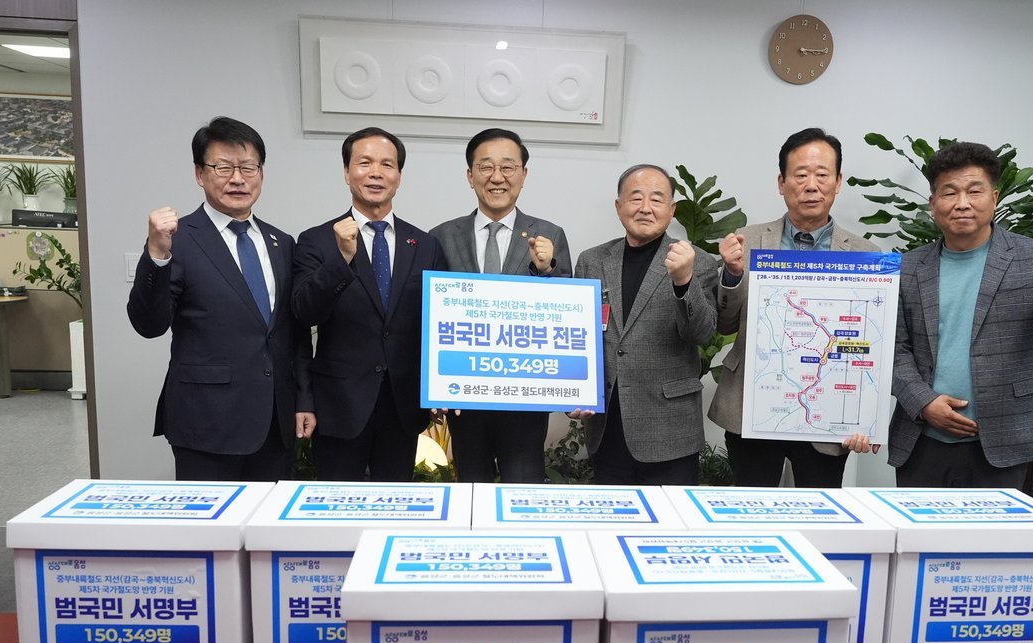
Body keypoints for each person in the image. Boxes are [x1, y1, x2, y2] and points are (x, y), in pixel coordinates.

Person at [888, 141, 1033, 488]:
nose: (962, 203)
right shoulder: (909, 267)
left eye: (974, 191)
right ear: (933, 204)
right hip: (922, 439)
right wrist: (923, 402)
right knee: (917, 527)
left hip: (1007, 439)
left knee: (995, 528)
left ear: (994, 198)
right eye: (949, 193)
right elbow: (893, 348)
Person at [127, 116, 314, 481]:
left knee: (268, 517)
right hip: (206, 421)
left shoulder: (281, 242)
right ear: (200, 174)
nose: (237, 179)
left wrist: (303, 398)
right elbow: (149, 324)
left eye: (248, 167)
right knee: (212, 519)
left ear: (261, 173)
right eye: (223, 167)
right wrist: (156, 254)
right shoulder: (178, 240)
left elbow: (294, 332)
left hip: (275, 421)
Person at [709, 127, 879, 488]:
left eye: (822, 175)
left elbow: (871, 343)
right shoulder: (747, 241)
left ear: (838, 182)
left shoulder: (865, 254)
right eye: (801, 175)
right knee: (751, 510)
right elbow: (723, 324)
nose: (811, 186)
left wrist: (867, 415)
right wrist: (733, 274)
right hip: (752, 406)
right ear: (781, 183)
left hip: (828, 411)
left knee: (820, 510)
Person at [292, 127, 447, 481]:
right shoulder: (316, 241)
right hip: (339, 404)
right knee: (335, 505)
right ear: (347, 172)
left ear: (399, 177)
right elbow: (303, 313)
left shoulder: (424, 245)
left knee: (394, 504)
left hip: (402, 404)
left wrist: (439, 388)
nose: (376, 173)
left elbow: (438, 324)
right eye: (365, 163)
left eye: (387, 165)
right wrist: (341, 260)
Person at [430, 128, 572, 482]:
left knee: (523, 493)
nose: (497, 177)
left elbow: (565, 316)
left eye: (508, 167)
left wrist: (546, 271)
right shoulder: (441, 237)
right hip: (464, 400)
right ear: (470, 175)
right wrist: (433, 386)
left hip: (525, 402)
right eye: (486, 167)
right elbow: (427, 316)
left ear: (523, 174)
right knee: (471, 490)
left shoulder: (550, 234)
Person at [572, 164, 718, 484]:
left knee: (670, 517)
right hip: (607, 426)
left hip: (670, 429)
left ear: (672, 209)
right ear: (619, 206)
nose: (645, 207)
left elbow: (701, 334)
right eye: (636, 198)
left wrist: (684, 281)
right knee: (612, 514)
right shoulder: (592, 261)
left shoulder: (697, 261)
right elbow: (576, 336)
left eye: (657, 199)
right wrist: (573, 392)